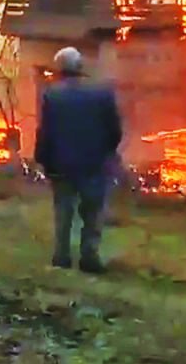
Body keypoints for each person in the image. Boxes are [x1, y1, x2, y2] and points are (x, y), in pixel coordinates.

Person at [33, 46, 123, 274]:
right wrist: (106, 153)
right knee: (93, 212)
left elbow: (46, 133)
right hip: (94, 164)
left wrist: (42, 159)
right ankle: (89, 257)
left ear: (60, 69)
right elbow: (115, 131)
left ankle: (62, 257)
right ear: (80, 68)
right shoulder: (102, 94)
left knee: (63, 211)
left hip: (61, 165)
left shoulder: (52, 95)